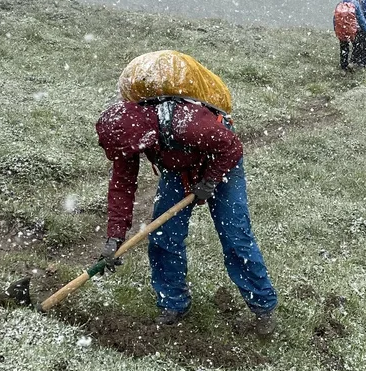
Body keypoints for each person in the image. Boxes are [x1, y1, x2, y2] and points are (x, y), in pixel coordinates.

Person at [94, 98, 279, 336]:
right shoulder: (127, 140)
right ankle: (173, 303)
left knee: (235, 237)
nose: (129, 156)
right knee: (163, 236)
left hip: (221, 161)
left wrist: (211, 179)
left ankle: (263, 306)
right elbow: (122, 185)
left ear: (146, 136)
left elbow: (231, 146)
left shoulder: (188, 122)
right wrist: (114, 236)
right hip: (178, 168)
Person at [334, 0, 366, 71]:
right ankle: (352, 62)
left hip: (342, 30)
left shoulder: (339, 4)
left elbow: (335, 19)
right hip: (352, 30)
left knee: (344, 48)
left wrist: (336, 30)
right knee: (357, 45)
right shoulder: (355, 3)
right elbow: (360, 19)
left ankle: (343, 67)